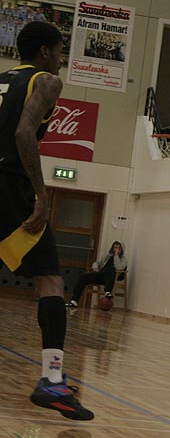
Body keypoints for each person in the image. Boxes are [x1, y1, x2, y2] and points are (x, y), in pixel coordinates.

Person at [0, 21, 94, 420]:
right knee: (51, 279)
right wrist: (41, 194)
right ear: (44, 52)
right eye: (59, 52)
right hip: (9, 185)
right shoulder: (46, 81)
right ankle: (52, 382)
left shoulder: (3, 80)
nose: (61, 60)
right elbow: (25, 134)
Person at [66, 241, 128, 308]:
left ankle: (107, 291)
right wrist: (95, 267)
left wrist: (116, 256)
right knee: (83, 277)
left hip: (113, 277)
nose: (117, 249)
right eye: (115, 247)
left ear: (122, 250)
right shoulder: (108, 256)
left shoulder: (124, 259)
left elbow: (119, 267)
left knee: (110, 268)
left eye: (119, 248)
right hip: (102, 275)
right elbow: (97, 263)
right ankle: (74, 301)